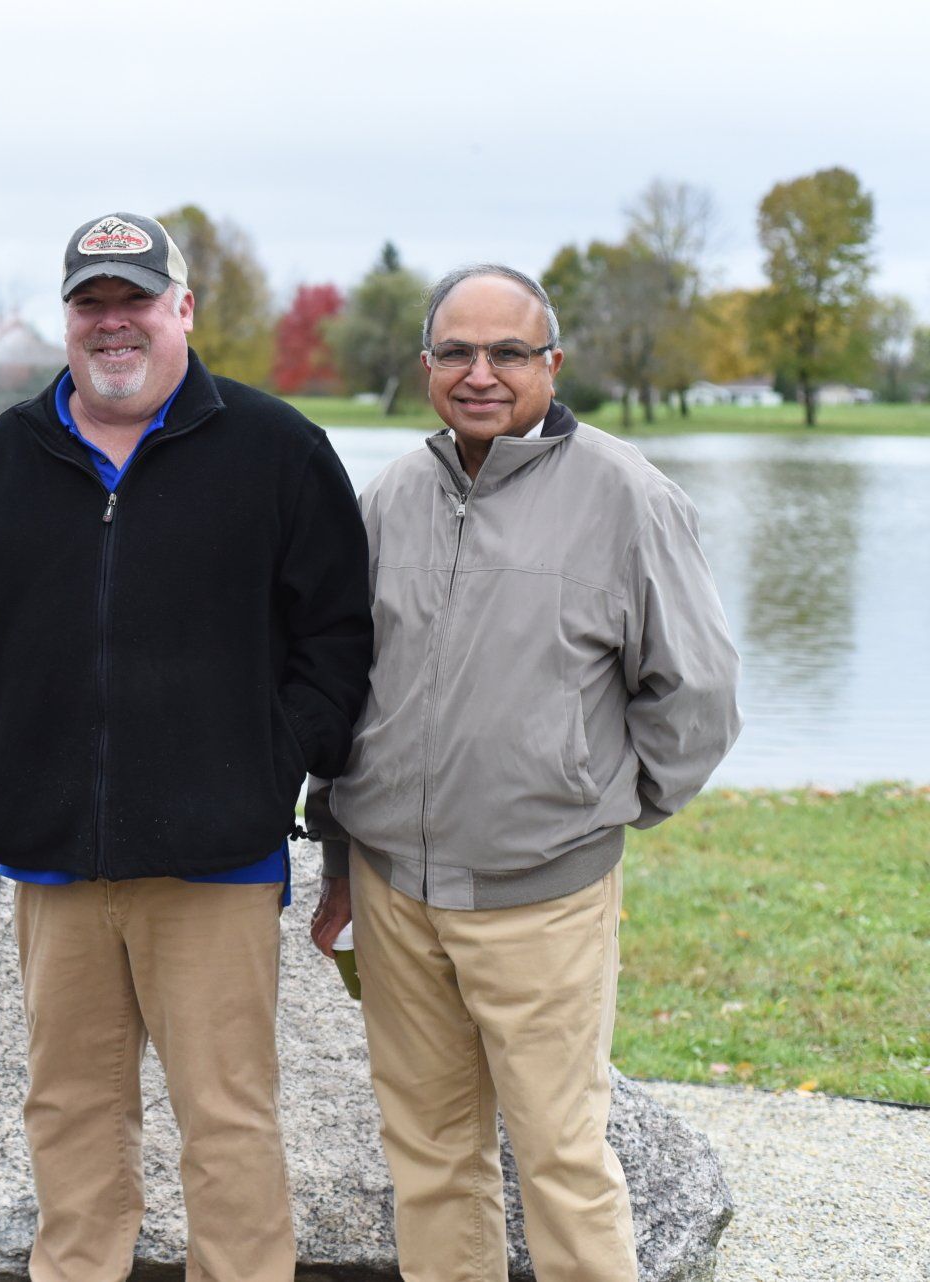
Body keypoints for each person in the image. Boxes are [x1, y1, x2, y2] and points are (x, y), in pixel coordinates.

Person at [0, 212, 373, 1280]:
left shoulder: (278, 451)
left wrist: (271, 763)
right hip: (55, 864)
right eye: (90, 305)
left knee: (230, 1124)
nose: (113, 326)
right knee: (67, 1116)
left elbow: (338, 639)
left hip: (215, 862)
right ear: (65, 319)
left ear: (184, 310)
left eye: (135, 302)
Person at [306, 265, 741, 1282]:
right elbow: (343, 684)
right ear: (426, 366)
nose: (480, 373)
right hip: (395, 896)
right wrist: (336, 845)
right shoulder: (390, 498)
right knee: (429, 1160)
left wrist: (598, 808)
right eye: (456, 351)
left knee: (562, 1159)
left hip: (543, 897)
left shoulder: (627, 497)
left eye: (508, 351)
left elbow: (699, 694)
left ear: (552, 362)